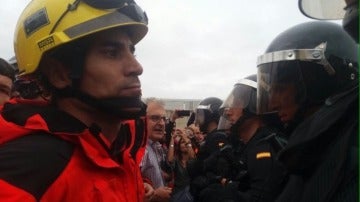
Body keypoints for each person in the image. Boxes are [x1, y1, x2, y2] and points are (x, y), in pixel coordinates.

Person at [0, 0, 150, 201]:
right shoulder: (28, 170)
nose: (136, 67)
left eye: (132, 51)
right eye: (111, 53)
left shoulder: (118, 152)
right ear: (59, 74)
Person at [256, 21, 358, 201]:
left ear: (319, 84)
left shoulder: (349, 156)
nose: (272, 104)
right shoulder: (314, 149)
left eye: (280, 90)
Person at [198, 75, 287, 202]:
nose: (228, 112)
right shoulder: (247, 144)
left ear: (255, 105)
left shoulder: (263, 148)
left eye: (238, 102)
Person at [187, 97, 229, 201]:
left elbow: (217, 172)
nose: (199, 119)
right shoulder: (211, 137)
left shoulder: (217, 138)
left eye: (201, 114)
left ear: (211, 115)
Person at [140, 98, 172, 202]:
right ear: (141, 119)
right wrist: (154, 195)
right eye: (155, 118)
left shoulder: (156, 146)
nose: (162, 123)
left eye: (163, 118)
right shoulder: (138, 149)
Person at [167, 128, 195, 202]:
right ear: (179, 146)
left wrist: (186, 139)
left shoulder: (193, 159)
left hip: (193, 192)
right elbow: (170, 160)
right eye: (182, 142)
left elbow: (193, 159)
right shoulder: (176, 160)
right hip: (178, 193)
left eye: (187, 143)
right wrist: (172, 139)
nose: (185, 144)